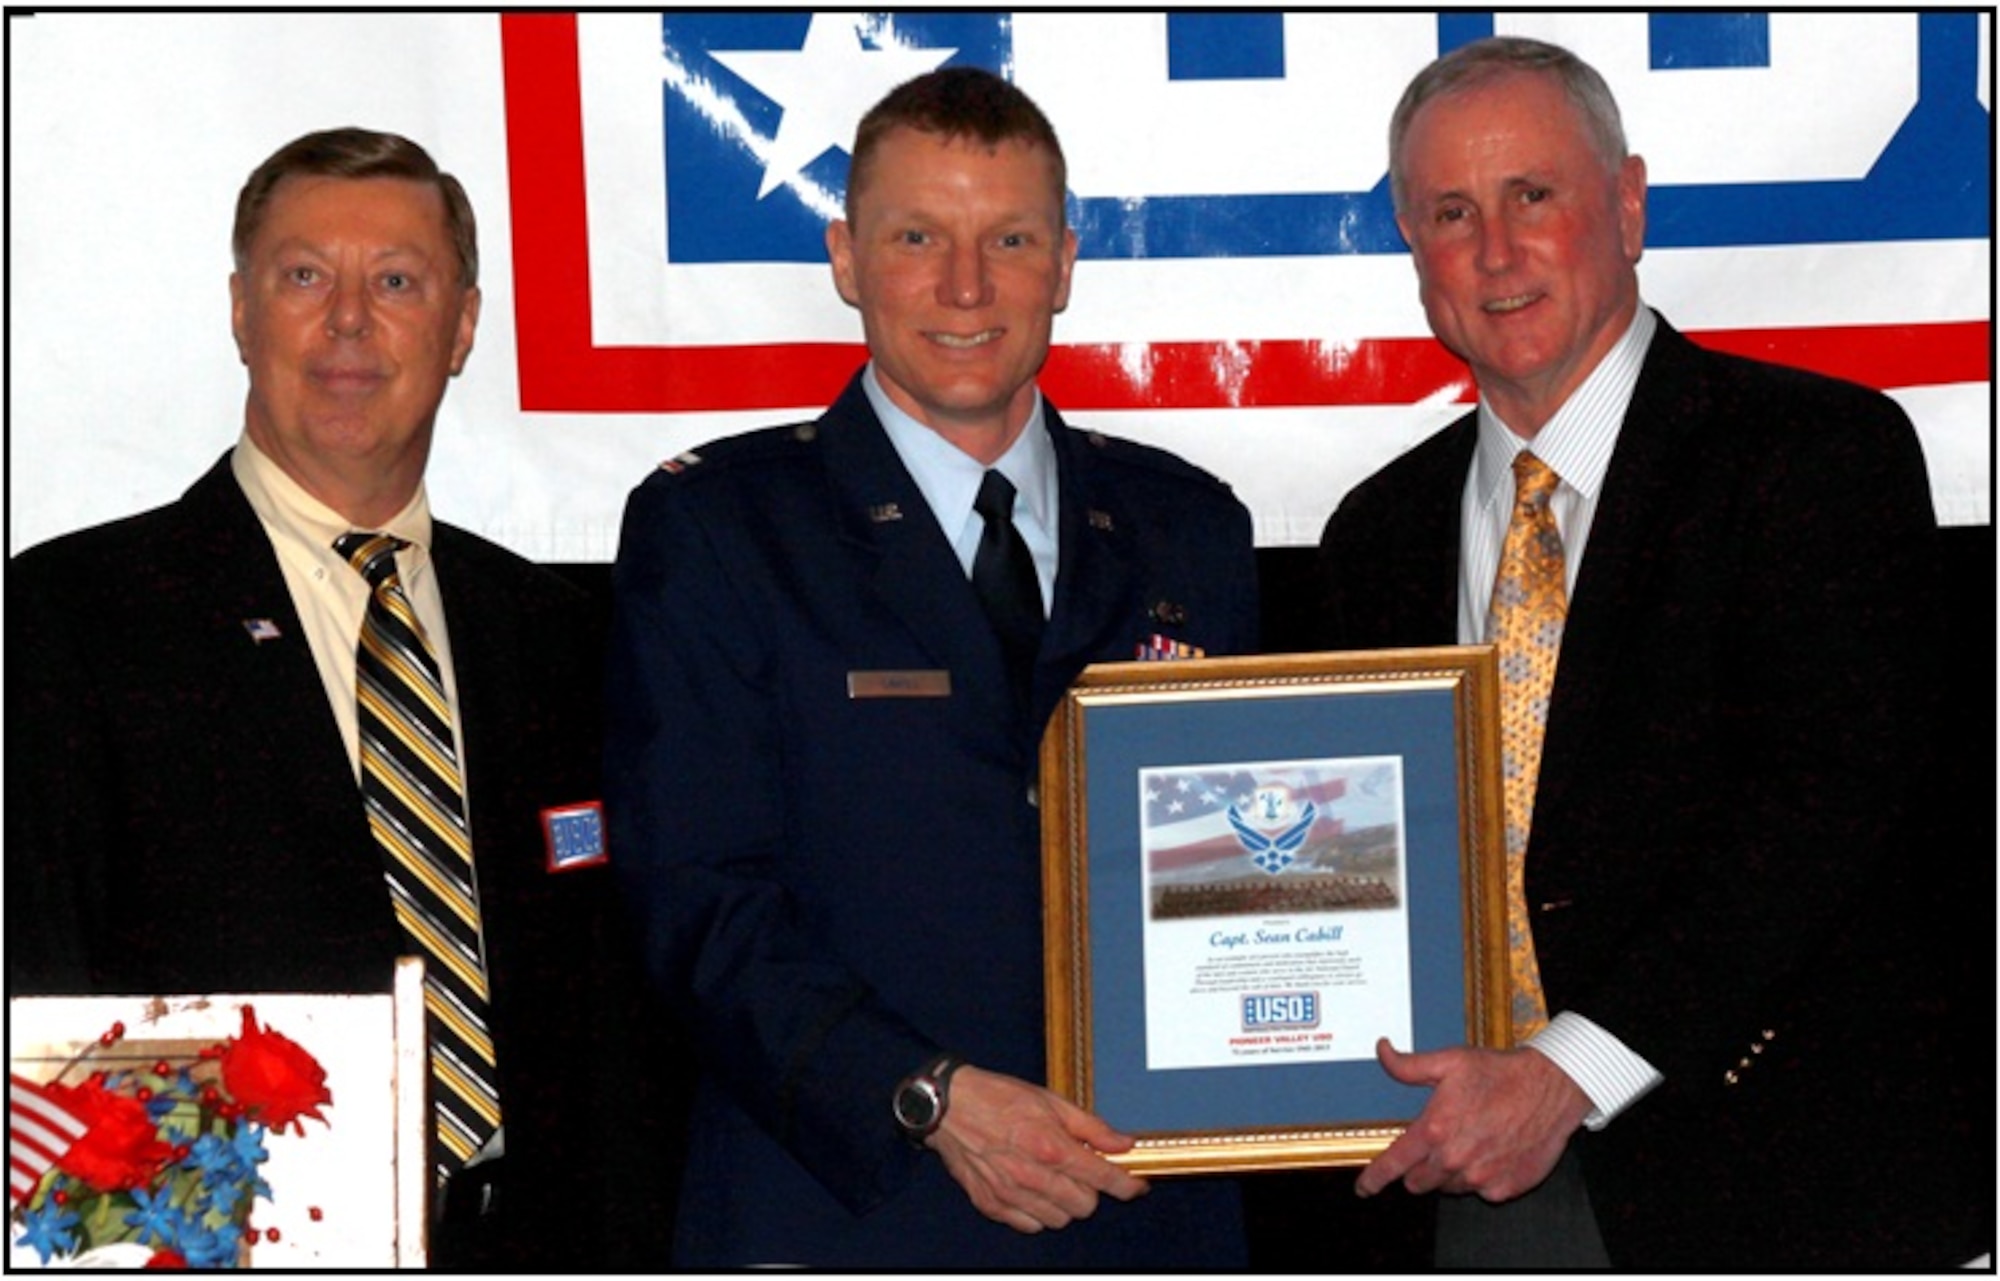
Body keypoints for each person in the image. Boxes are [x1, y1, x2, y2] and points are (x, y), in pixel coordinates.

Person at [1313, 35, 1988, 1269]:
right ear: (1411, 246)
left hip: (1771, 1183)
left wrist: (1566, 1075)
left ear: (1625, 206)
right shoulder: (1373, 533)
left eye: (1533, 195)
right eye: (1450, 212)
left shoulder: (1817, 457)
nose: (1496, 251)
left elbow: (1822, 812)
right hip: (1453, 1181)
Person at [605, 67, 1258, 1268]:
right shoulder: (721, 532)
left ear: (1063, 263)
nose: (965, 287)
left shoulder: (1189, 532)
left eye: (1006, 239)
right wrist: (929, 1096)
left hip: (1147, 1212)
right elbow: (694, 901)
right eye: (917, 237)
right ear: (847, 258)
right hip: (844, 1210)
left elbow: (1263, 872)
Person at [6, 128, 670, 1270]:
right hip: (229, 1250)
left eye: (396, 282)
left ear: (462, 326)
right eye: (305, 276)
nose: (349, 320)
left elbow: (620, 1010)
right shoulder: (68, 617)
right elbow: (41, 1001)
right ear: (240, 311)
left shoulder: (566, 633)